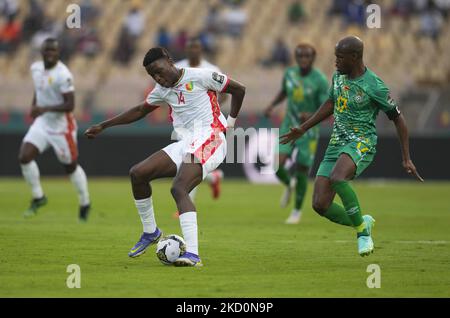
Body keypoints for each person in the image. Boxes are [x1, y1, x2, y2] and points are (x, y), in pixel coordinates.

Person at [85, 47, 246, 267]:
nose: (158, 78)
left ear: (169, 61)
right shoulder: (161, 89)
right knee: (138, 174)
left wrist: (230, 124)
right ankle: (150, 232)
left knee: (178, 188)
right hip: (185, 144)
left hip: (212, 138)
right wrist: (104, 125)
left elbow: (239, 90)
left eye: (159, 71)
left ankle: (193, 254)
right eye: (153, 75)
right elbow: (140, 110)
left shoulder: (199, 76)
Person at [281, 36, 423, 256]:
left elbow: (398, 119)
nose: (335, 62)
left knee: (338, 178)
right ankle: (362, 222)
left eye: (340, 57)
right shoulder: (338, 77)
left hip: (361, 142)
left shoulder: (374, 85)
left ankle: (363, 234)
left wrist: (407, 157)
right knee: (320, 204)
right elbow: (330, 103)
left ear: (355, 57)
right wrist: (304, 127)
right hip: (336, 143)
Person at [19, 38, 91, 221]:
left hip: (62, 128)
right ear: (42, 52)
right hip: (43, 123)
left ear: (58, 53)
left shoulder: (63, 74)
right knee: (24, 157)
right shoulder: (35, 69)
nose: (50, 53)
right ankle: (38, 197)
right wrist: (34, 106)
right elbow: (39, 90)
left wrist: (43, 109)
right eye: (47, 50)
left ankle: (84, 202)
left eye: (54, 51)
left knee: (70, 167)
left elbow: (70, 104)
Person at [265, 43, 328, 224]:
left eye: (307, 56)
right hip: (288, 125)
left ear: (313, 58)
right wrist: (272, 105)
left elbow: (326, 107)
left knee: (302, 168)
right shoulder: (289, 73)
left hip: (308, 130)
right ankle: (289, 183)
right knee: (278, 163)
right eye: (300, 56)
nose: (303, 60)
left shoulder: (320, 80)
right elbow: (284, 92)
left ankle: (296, 211)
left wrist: (310, 115)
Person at [175, 36, 227, 202]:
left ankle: (186, 202)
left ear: (201, 50)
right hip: (184, 123)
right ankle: (213, 178)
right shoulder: (178, 68)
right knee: (181, 164)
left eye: (196, 47)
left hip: (204, 124)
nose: (193, 50)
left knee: (192, 160)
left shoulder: (210, 69)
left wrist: (210, 107)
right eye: (190, 47)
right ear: (186, 50)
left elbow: (225, 93)